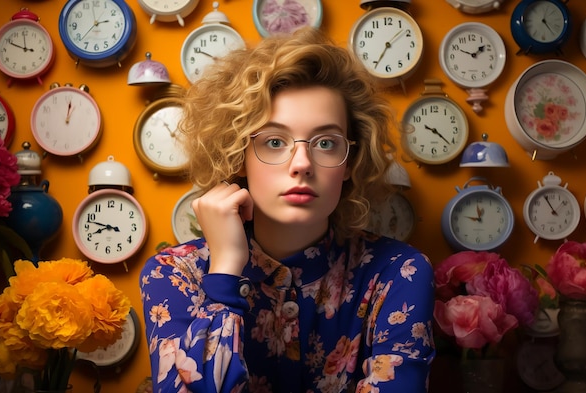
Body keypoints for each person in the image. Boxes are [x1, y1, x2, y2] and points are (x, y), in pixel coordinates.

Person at [139, 27, 435, 393]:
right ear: (238, 156)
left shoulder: (397, 274)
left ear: (349, 162)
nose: (302, 164)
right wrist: (225, 270)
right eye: (274, 141)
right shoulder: (174, 274)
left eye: (326, 142)